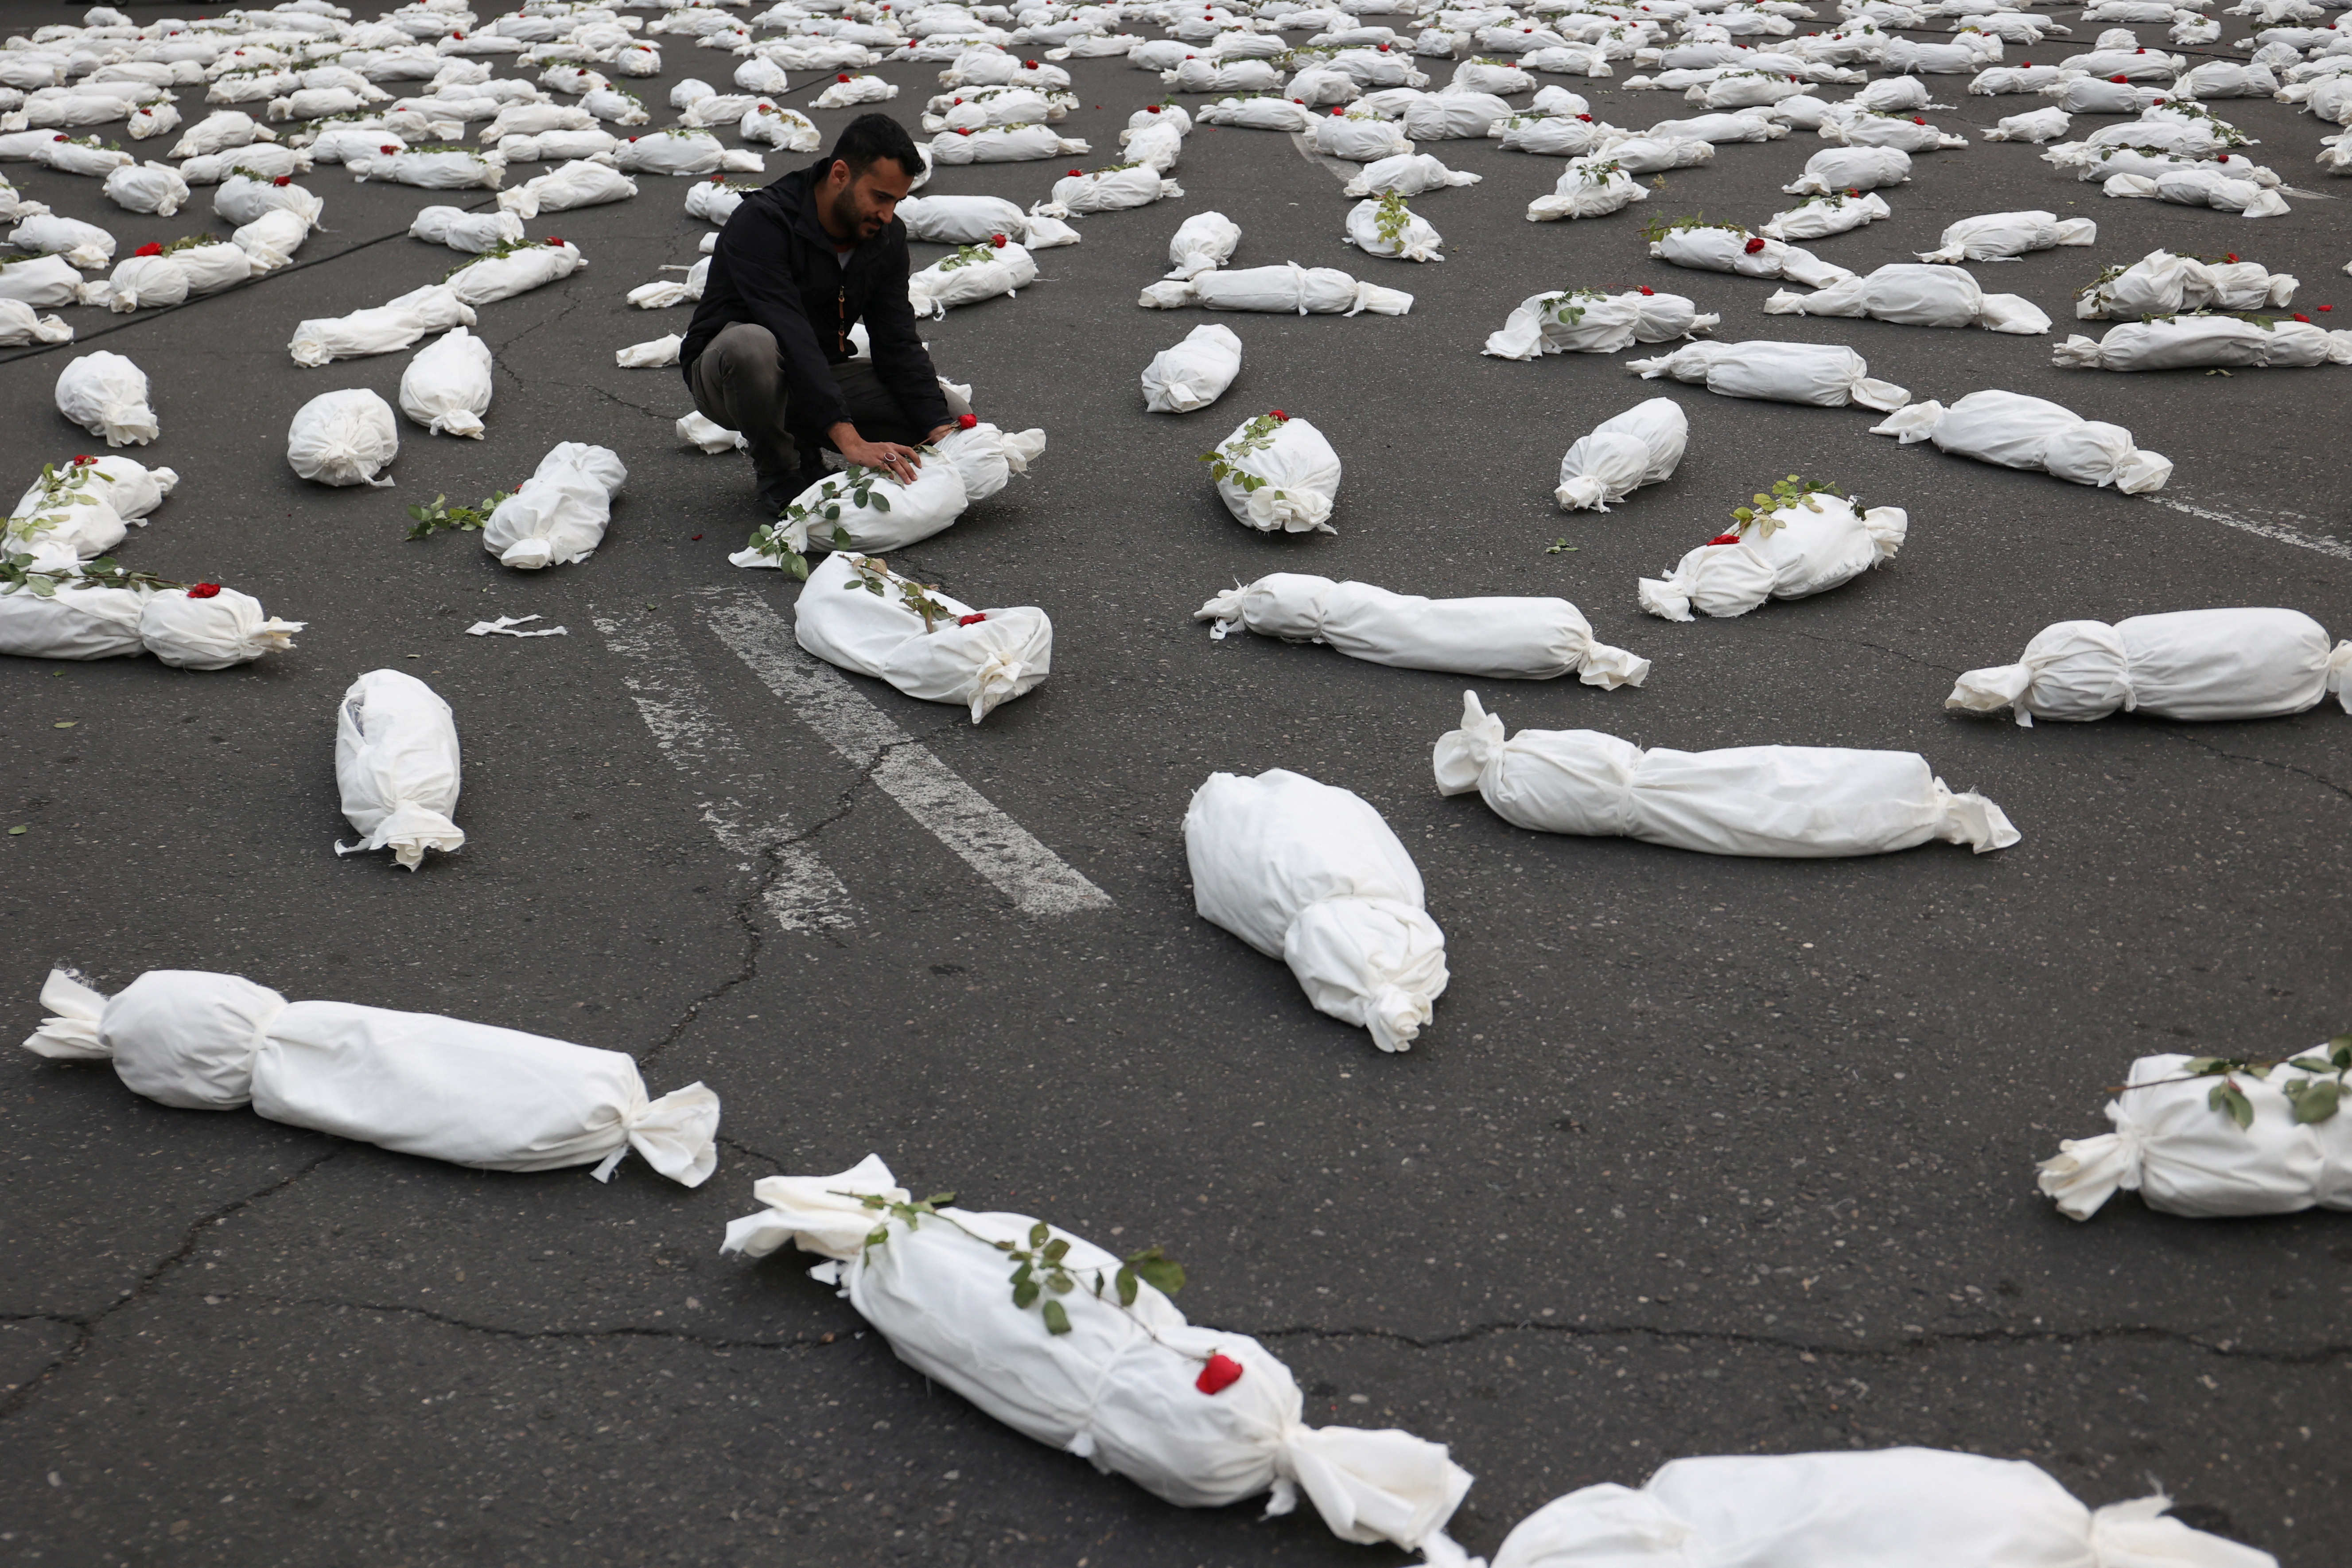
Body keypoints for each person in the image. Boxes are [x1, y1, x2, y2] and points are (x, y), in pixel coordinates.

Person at [680, 113, 968, 517]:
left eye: (897, 202)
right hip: (731, 377)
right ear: (839, 174)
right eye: (880, 197)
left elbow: (896, 340)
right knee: (752, 346)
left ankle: (806, 437)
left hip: (819, 375)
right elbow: (789, 331)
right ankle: (782, 471)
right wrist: (848, 438)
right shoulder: (764, 222)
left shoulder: (884, 237)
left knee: (951, 417)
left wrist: (937, 426)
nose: (887, 214)